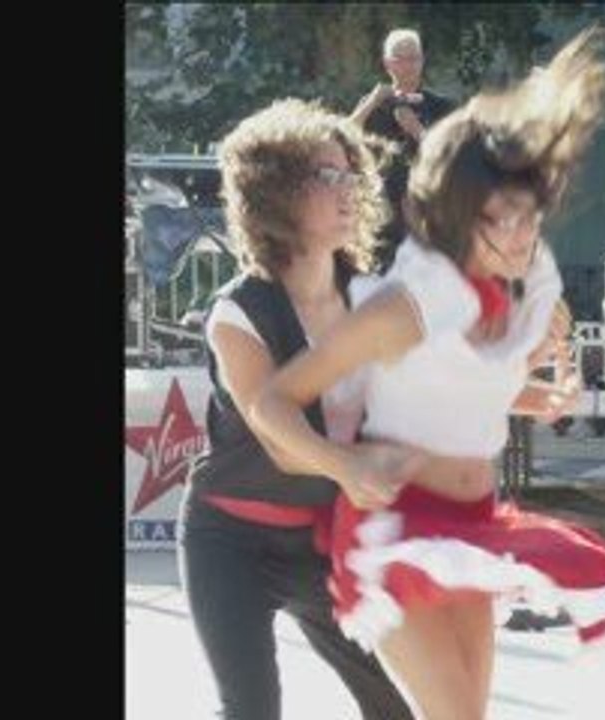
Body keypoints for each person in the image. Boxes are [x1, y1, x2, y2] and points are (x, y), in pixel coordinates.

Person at [252, 28, 605, 720]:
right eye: (496, 220)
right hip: (396, 530)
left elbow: (450, 388)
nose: (516, 236)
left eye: (526, 218)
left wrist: (536, 397)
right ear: (454, 216)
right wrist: (342, 466)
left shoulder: (493, 293)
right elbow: (275, 400)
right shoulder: (404, 305)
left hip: (475, 524)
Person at [176, 98, 416, 720]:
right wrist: (352, 467)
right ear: (274, 193)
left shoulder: (373, 298)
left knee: (396, 704)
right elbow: (277, 433)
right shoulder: (238, 310)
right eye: (325, 176)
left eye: (350, 175)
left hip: (323, 540)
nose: (347, 191)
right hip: (227, 540)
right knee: (252, 710)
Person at [350, 28, 456, 271]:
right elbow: (339, 139)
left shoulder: (443, 107)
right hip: (381, 221)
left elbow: (453, 159)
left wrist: (417, 130)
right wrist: (371, 104)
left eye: (414, 58)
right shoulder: (373, 105)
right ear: (387, 64)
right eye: (400, 58)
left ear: (422, 61)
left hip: (429, 219)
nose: (408, 65)